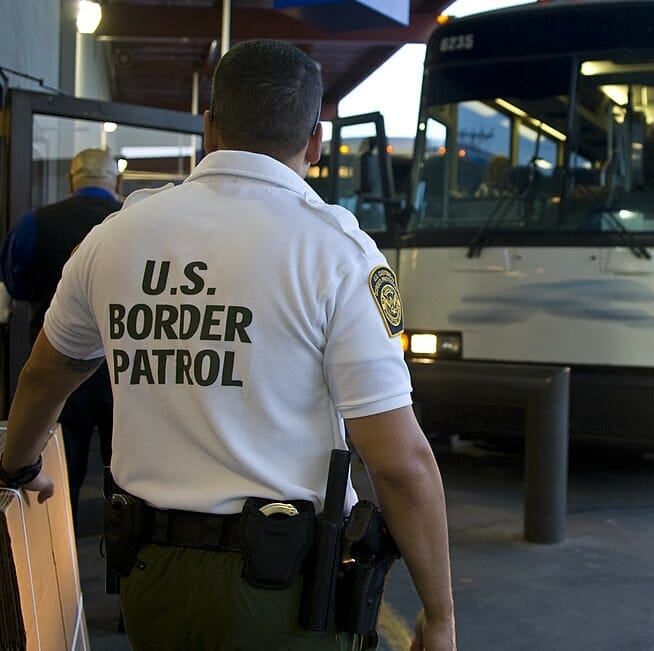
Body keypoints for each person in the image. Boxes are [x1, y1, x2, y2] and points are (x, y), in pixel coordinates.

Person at [0, 39, 456, 650]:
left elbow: (43, 378)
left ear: (210, 127)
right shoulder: (337, 254)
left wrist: (19, 465)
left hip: (148, 580)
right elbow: (399, 462)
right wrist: (440, 613)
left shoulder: (115, 238)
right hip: (283, 596)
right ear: (315, 141)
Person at [0, 147, 120, 528]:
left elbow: (16, 283)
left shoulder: (36, 223)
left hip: (58, 365)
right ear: (114, 182)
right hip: (123, 370)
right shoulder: (132, 224)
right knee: (123, 471)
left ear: (72, 181)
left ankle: (58, 545)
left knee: (61, 466)